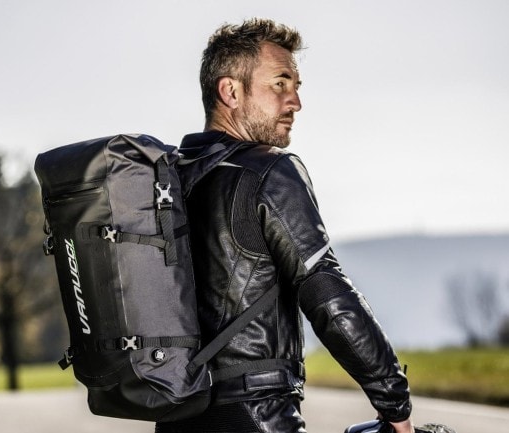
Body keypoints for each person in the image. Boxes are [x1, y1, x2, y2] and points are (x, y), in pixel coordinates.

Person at [155, 18, 414, 433]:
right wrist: (395, 404)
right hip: (256, 413)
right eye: (279, 83)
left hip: (178, 416)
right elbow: (325, 290)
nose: (295, 102)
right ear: (230, 92)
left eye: (296, 86)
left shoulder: (170, 180)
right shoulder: (270, 170)